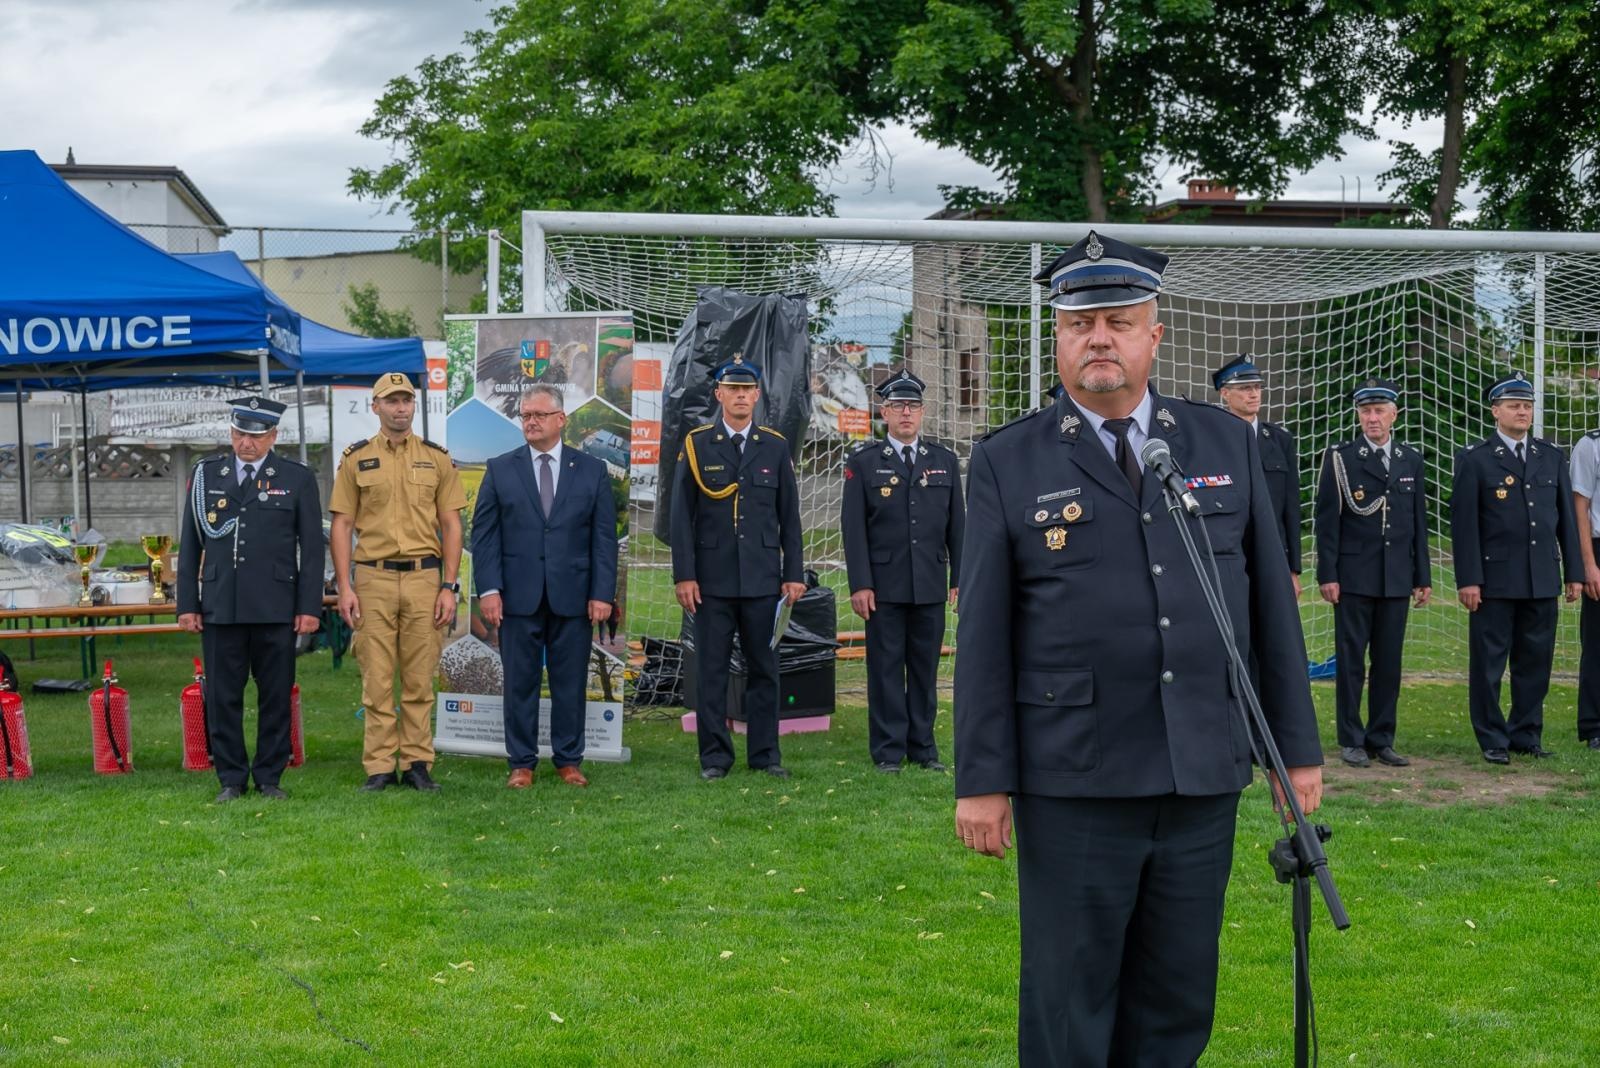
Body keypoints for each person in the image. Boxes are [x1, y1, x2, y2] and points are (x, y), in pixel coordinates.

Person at [953, 230, 1323, 1067]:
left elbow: (1269, 612)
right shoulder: (1009, 461)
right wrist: (982, 779)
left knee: (1177, 999)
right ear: (1059, 338)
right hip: (1075, 776)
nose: (1099, 339)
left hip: (1200, 770)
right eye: (1081, 324)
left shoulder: (1223, 445)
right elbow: (982, 640)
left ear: (1156, 333)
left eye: (1119, 321)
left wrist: (1293, 751)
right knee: (1068, 1001)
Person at [471, 385, 619, 788]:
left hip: (573, 596)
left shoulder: (591, 470)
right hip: (517, 597)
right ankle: (521, 763)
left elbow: (603, 539)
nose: (530, 422)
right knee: (520, 682)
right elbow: (484, 536)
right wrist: (488, 589)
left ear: (561, 419)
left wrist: (603, 593)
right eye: (525, 415)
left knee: (570, 682)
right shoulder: (501, 468)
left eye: (539, 415)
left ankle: (568, 760)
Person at [177, 397, 322, 803]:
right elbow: (190, 544)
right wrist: (187, 603)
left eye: (256, 436)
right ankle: (231, 777)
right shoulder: (207, 475)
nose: (247, 444)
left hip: (276, 604)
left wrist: (309, 608)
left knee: (276, 693)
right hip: (221, 605)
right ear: (230, 433)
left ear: (273, 437)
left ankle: (269, 776)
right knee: (223, 695)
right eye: (240, 434)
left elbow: (311, 549)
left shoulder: (295, 478)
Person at [329, 372, 467, 792]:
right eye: (391, 401)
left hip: (426, 579)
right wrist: (344, 586)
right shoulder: (355, 459)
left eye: (406, 400)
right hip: (373, 579)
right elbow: (342, 525)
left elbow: (451, 524)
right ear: (376, 407)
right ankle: (379, 766)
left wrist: (450, 585)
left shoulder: (437, 458)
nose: (400, 407)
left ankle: (417, 763)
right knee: (377, 676)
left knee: (420, 676)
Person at [671, 355, 805, 780]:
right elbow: (680, 517)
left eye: (747, 389)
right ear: (719, 395)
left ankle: (766, 755)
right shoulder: (696, 444)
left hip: (764, 579)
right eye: (733, 389)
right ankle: (714, 757)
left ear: (757, 394)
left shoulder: (775, 444)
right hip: (711, 581)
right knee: (710, 671)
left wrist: (794, 573)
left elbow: (790, 517)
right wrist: (684, 575)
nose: (741, 396)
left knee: (765, 669)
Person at [1450, 371, 1582, 764]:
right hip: (1494, 581)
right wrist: (1469, 579)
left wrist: (1573, 572)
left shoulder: (1551, 456)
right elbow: (1464, 526)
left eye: (1526, 406)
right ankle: (1492, 737)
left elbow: (1566, 522)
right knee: (1489, 664)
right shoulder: (1475, 459)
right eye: (1513, 405)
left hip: (1542, 578)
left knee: (1535, 662)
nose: (1522, 411)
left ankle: (1526, 733)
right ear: (1496, 411)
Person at [840, 368, 964, 773]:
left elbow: (957, 527)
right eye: (897, 406)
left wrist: (959, 579)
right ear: (884, 412)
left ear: (923, 411)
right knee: (886, 670)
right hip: (884, 586)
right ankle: (889, 750)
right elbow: (853, 530)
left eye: (912, 406)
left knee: (925, 670)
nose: (906, 413)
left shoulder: (944, 461)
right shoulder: (863, 463)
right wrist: (860, 583)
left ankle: (924, 748)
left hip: (929, 583)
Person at [1313, 378, 1432, 768]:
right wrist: (1327, 574)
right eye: (1366, 411)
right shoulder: (1341, 458)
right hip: (1354, 577)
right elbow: (1327, 522)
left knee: (1389, 662)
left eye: (1379, 410)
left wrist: (1423, 577)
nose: (1372, 418)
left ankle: (1382, 738)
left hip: (1396, 577)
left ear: (1394, 415)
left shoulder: (1410, 459)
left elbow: (1418, 522)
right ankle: (1351, 739)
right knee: (1351, 661)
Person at [1213, 355, 1302, 594]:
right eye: (1244, 388)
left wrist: (1293, 569)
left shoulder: (1280, 441)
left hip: (1272, 552)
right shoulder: (1211, 440)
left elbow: (1291, 509)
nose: (1254, 394)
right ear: (1224, 393)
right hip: (1227, 554)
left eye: (1257, 387)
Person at [1571, 427, 1600, 750]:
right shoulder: (1589, 445)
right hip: (1598, 547)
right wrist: (1588, 564)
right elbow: (1580, 506)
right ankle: (1594, 724)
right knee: (1597, 642)